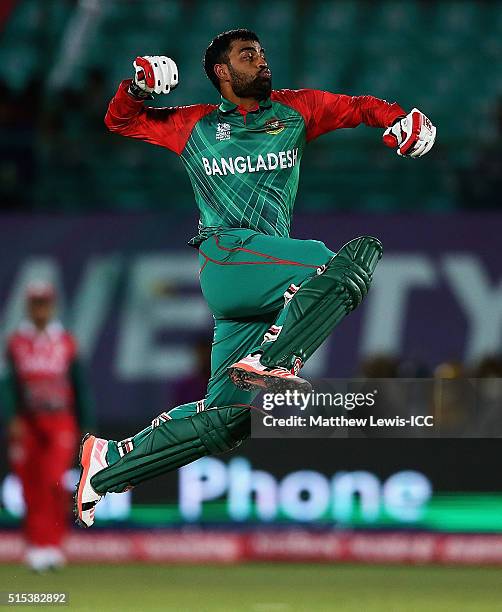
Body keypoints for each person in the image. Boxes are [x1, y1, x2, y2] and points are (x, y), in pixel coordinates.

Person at [75, 28, 436, 527]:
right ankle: (275, 356)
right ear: (222, 72)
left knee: (228, 420)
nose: (262, 62)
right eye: (249, 56)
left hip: (262, 287)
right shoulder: (193, 124)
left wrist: (403, 119)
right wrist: (136, 88)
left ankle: (108, 465)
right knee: (345, 260)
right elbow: (121, 121)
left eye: (262, 54)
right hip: (226, 257)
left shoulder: (295, 110)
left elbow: (359, 107)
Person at [5, 281, 92, 570]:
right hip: (28, 422)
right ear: (28, 305)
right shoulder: (16, 343)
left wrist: (87, 424)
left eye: (44, 302)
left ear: (52, 305)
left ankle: (53, 543)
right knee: (30, 486)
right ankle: (36, 545)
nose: (40, 309)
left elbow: (80, 386)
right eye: (35, 303)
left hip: (59, 419)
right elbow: (9, 385)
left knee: (54, 480)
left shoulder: (65, 342)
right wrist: (11, 417)